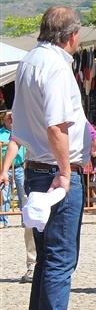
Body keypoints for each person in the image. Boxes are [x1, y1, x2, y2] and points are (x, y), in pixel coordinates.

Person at [11, 6, 96, 310]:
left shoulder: (30, 60)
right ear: (73, 36)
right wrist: (65, 171)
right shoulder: (57, 67)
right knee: (61, 257)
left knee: (49, 257)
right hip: (55, 171)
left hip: (36, 166)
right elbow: (57, 126)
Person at [0, 121, 36, 282]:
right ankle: (33, 264)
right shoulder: (28, 117)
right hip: (35, 172)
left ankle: (57, 267)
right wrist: (4, 169)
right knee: (31, 222)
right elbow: (15, 140)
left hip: (60, 172)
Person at [1, 111, 25, 229]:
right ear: (4, 120)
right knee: (5, 195)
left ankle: (25, 220)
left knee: (23, 194)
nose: (11, 120)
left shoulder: (21, 130)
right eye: (8, 118)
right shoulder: (0, 133)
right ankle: (3, 220)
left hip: (19, 166)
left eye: (13, 117)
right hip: (5, 169)